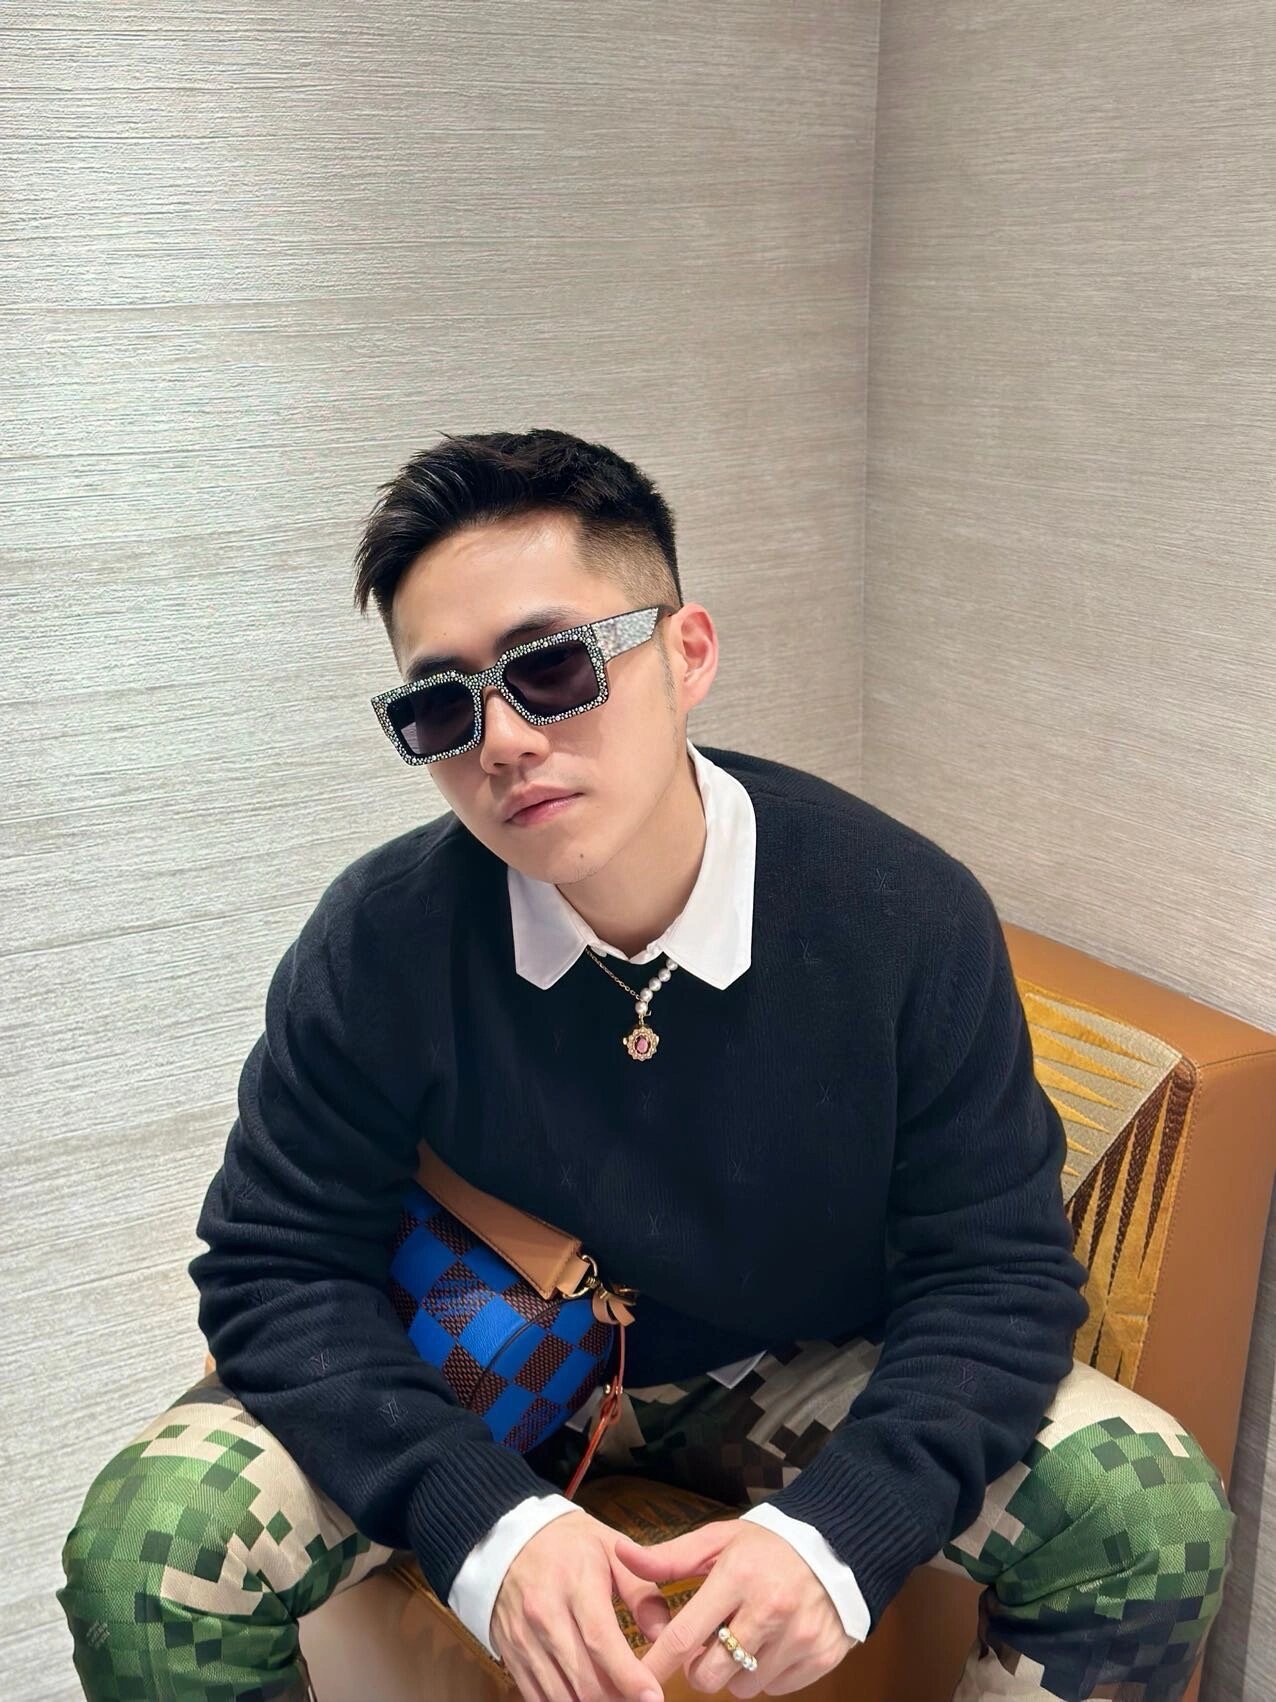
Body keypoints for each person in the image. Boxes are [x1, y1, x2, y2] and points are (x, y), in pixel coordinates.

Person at [59, 428, 1234, 1702]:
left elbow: (996, 1274)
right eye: (441, 703)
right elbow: (275, 1267)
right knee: (150, 1550)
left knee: (1145, 1510)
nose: (502, 740)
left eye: (551, 667)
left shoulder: (899, 912)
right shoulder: (381, 939)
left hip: (794, 1358)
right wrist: (485, 1526)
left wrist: (836, 1542)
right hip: (484, 1361)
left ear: (688, 654)